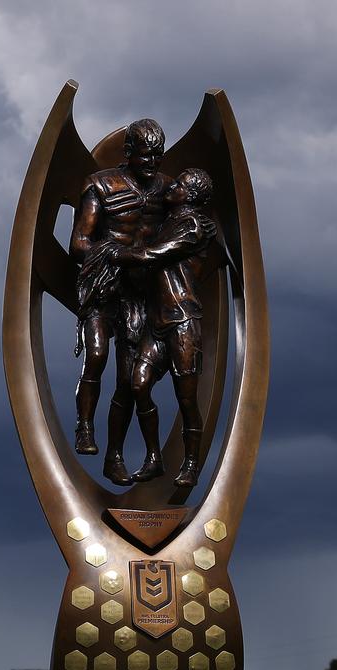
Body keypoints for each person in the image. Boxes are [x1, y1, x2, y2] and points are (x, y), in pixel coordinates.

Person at [68, 118, 170, 484]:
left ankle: (115, 457)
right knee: (96, 355)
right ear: (128, 153)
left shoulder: (166, 189)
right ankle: (84, 425)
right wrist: (119, 255)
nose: (151, 163)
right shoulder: (101, 184)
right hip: (104, 285)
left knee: (128, 380)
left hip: (139, 294)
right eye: (145, 156)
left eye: (157, 156)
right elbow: (79, 242)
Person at [106, 168, 217, 487]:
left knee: (186, 399)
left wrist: (120, 254)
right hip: (157, 323)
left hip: (183, 321)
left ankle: (192, 464)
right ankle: (154, 457)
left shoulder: (195, 225)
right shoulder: (167, 222)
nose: (173, 187)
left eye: (180, 185)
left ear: (192, 196)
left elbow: (156, 254)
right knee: (138, 384)